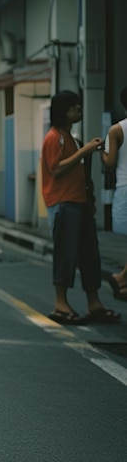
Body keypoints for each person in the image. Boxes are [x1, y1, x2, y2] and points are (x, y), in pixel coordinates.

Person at [41, 90, 120, 324]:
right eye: (74, 107)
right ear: (64, 111)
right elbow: (57, 169)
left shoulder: (70, 137)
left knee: (89, 255)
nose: (78, 110)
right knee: (65, 255)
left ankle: (94, 303)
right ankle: (60, 304)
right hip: (63, 203)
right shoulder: (54, 138)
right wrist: (86, 150)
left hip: (80, 203)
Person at [101, 86, 127, 301]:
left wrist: (102, 153)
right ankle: (122, 280)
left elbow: (110, 163)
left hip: (124, 187)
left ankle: (122, 279)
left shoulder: (116, 130)